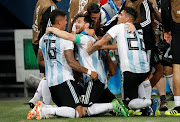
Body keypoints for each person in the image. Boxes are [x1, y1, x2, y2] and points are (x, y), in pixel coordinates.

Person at [46, 12, 129, 117]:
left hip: (93, 80)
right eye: (75, 22)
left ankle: (112, 106)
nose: (76, 24)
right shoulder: (95, 40)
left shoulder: (85, 39)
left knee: (82, 111)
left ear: (87, 25)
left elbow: (68, 36)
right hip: (100, 82)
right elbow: (112, 71)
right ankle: (113, 106)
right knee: (94, 109)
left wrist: (52, 29)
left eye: (79, 22)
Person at [28, 9, 99, 120]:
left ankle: (45, 107)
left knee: (65, 108)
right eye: (65, 20)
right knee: (79, 112)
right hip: (65, 80)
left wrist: (52, 66)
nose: (67, 23)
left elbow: (40, 60)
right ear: (59, 22)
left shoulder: (43, 39)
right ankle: (45, 110)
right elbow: (71, 62)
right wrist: (89, 72)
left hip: (51, 82)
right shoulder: (65, 40)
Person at [87, 7, 152, 112]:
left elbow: (100, 42)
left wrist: (90, 50)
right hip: (145, 69)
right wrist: (106, 48)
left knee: (127, 104)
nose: (118, 16)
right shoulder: (138, 29)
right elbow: (123, 44)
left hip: (130, 70)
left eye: (121, 14)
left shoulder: (118, 27)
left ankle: (150, 102)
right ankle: (146, 107)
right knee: (137, 88)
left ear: (127, 19)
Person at [161, 0, 180, 116]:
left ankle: (178, 105)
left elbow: (164, 8)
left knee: (177, 67)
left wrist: (167, 29)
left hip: (177, 23)